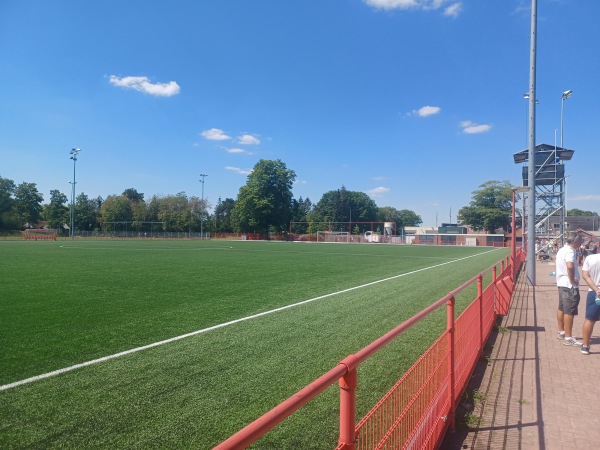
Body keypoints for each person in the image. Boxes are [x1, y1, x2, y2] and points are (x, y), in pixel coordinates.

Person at [555, 233, 583, 346]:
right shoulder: (571, 251)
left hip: (561, 283)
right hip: (569, 285)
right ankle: (568, 337)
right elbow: (570, 265)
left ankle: (562, 332)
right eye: (580, 242)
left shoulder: (562, 249)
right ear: (575, 242)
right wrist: (572, 279)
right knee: (569, 311)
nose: (581, 244)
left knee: (562, 308)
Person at [580, 249, 600, 354]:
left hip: (594, 292)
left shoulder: (590, 258)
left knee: (590, 319)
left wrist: (596, 289)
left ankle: (585, 346)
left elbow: (585, 275)